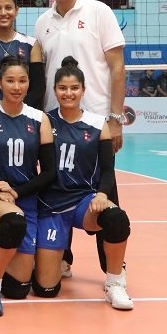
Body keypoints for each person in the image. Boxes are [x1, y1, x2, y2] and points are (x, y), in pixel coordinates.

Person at [34, 0, 125, 274]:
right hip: (55, 121)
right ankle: (63, 257)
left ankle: (114, 268)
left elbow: (117, 67)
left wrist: (115, 119)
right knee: (57, 185)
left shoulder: (99, 12)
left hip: (96, 120)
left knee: (105, 189)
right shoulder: (42, 22)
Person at [35, 57, 133, 310]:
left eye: (74, 88)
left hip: (83, 202)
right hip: (50, 205)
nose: (68, 93)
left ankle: (114, 283)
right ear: (54, 90)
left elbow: (108, 170)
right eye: (62, 88)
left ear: (83, 90)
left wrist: (101, 194)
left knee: (116, 218)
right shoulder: (44, 121)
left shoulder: (98, 124)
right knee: (46, 289)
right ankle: (53, 261)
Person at [0, 56, 55, 316]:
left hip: (24, 199)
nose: (16, 87)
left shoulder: (39, 119)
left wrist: (17, 192)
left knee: (18, 287)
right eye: (10, 81)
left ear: (29, 84)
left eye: (22, 81)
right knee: (13, 220)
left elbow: (50, 172)